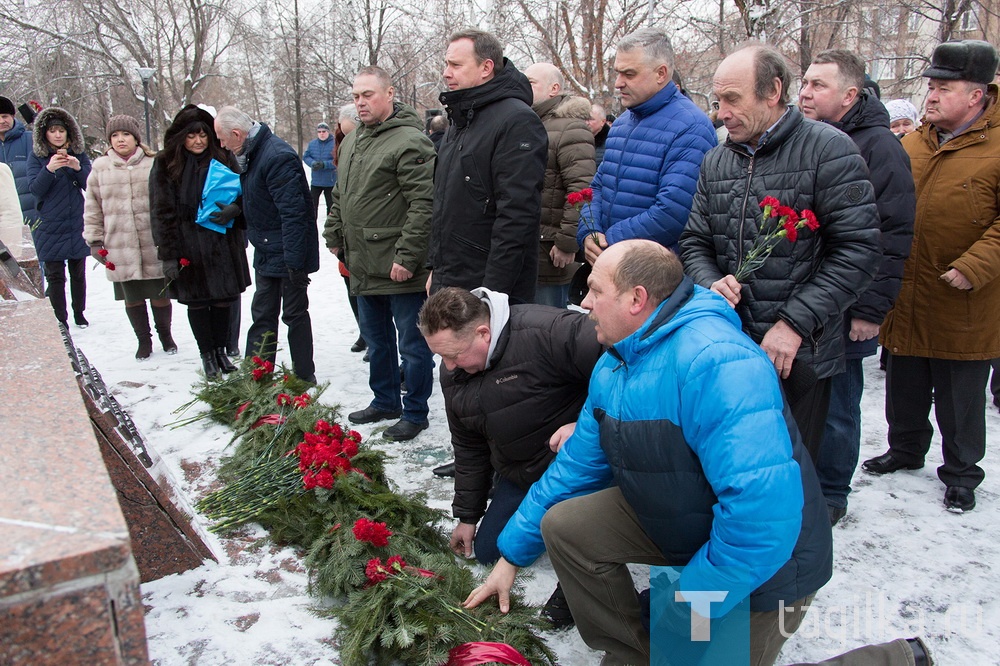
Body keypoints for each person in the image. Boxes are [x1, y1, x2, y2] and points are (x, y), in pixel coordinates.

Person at [464, 240, 832, 665]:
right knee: (565, 525)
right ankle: (638, 650)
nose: (584, 302)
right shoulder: (617, 361)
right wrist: (511, 556)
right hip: (689, 525)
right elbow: (575, 468)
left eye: (596, 291)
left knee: (702, 651)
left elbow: (762, 521)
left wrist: (688, 603)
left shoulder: (718, 363)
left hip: (764, 572)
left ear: (636, 299)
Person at [679, 45, 881, 460]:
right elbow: (695, 241)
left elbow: (858, 251)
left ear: (773, 91)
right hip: (729, 341)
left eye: (733, 99)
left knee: (789, 467)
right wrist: (708, 283)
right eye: (718, 102)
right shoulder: (716, 160)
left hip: (796, 352)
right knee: (734, 461)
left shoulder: (829, 149)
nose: (722, 113)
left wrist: (794, 323)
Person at [863, 40, 1000, 514]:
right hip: (907, 285)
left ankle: (962, 474)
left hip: (965, 293)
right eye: (932, 88)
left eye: (944, 88)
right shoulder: (914, 142)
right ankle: (905, 448)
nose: (932, 97)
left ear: (976, 96)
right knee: (905, 376)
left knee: (961, 391)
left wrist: (974, 265)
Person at [418, 285, 603, 627]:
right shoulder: (455, 369)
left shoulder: (547, 331)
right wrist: (467, 516)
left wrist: (589, 422)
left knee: (574, 527)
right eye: (440, 356)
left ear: (483, 332)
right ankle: (539, 525)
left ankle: (580, 575)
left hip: (578, 464)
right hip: (522, 471)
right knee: (490, 551)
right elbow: (469, 447)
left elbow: (625, 362)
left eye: (455, 355)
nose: (448, 366)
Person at [798, 50, 916, 525]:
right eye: (803, 82)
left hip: (849, 305)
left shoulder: (879, 146)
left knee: (839, 405)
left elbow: (890, 234)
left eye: (818, 85)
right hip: (809, 299)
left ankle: (831, 491)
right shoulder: (806, 139)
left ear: (850, 95)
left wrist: (870, 309)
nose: (804, 92)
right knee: (810, 399)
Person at [323, 66, 436, 441]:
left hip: (398, 265)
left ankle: (416, 412)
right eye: (356, 96)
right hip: (361, 261)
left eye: (368, 95)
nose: (361, 102)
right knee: (376, 340)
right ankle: (385, 399)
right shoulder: (354, 140)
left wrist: (407, 256)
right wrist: (333, 233)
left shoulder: (410, 141)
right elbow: (340, 195)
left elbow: (424, 203)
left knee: (413, 344)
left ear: (389, 94)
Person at [427, 28, 547, 304]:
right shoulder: (461, 119)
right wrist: (436, 267)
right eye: (446, 64)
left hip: (486, 286)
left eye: (456, 65)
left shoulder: (516, 120)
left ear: (486, 67)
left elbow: (517, 217)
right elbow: (445, 204)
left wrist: (491, 294)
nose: (446, 73)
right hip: (452, 277)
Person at [579, 28, 716, 266]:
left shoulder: (691, 126)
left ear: (661, 73)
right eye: (617, 73)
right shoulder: (621, 125)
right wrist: (589, 232)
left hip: (654, 274)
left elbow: (673, 212)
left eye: (629, 74)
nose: (618, 83)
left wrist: (609, 242)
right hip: (614, 266)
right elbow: (598, 188)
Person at [214, 106, 319, 383]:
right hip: (267, 247)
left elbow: (294, 213)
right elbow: (260, 197)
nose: (221, 145)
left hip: (286, 251)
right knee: (262, 315)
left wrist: (296, 263)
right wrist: (236, 209)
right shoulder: (253, 153)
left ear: (237, 134)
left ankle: (304, 377)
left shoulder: (276, 156)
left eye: (222, 139)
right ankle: (256, 377)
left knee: (294, 315)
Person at [149, 105, 251, 377]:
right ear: (181, 136)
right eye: (191, 136)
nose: (197, 141)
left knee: (222, 302)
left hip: (222, 244)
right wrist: (168, 254)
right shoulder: (165, 163)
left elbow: (244, 191)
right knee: (197, 303)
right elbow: (161, 211)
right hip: (188, 247)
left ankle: (221, 351)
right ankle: (206, 354)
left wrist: (237, 209)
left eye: (203, 135)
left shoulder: (223, 157)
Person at [84, 115, 177, 361]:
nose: (120, 139)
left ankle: (165, 335)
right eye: (114, 136)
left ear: (136, 137)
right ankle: (143, 340)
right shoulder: (100, 167)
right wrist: (95, 241)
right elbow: (92, 206)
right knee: (132, 296)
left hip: (151, 241)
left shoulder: (154, 163)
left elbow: (168, 201)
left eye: (125, 134)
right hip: (119, 244)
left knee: (160, 293)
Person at [523, 62, 595, 308]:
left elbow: (582, 190)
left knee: (550, 328)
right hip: (526, 249)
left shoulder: (570, 127)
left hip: (551, 253)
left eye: (531, 82)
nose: (523, 86)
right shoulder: (528, 123)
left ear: (554, 89)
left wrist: (567, 243)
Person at [26, 106, 93, 328]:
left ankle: (79, 313)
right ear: (45, 134)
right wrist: (49, 169)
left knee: (78, 272)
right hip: (49, 223)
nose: (57, 135)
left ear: (68, 132)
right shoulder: (37, 157)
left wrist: (76, 167)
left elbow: (91, 185)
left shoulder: (78, 154)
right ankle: (60, 318)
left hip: (75, 220)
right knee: (55, 275)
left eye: (61, 131)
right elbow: (35, 189)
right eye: (52, 131)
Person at [333, 103, 366, 358]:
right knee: (351, 286)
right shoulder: (343, 149)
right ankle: (364, 330)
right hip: (348, 239)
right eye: (343, 134)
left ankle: (373, 334)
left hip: (371, 240)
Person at [0, 95, 37, 226]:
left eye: (5, 116)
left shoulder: (30, 139)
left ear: (13, 116)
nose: (1, 121)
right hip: (5, 217)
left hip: (33, 213)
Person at [303, 122, 336, 218]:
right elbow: (306, 157)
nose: (321, 133)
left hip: (330, 181)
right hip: (316, 181)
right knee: (312, 206)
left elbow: (338, 160)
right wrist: (312, 163)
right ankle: (312, 227)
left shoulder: (335, 143)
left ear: (328, 132)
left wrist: (324, 164)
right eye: (319, 131)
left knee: (331, 207)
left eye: (324, 131)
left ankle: (331, 228)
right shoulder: (312, 144)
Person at [587, 102, 610, 166]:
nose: (587, 122)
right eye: (585, 119)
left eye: (591, 119)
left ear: (603, 122)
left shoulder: (610, 142)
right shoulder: (580, 139)